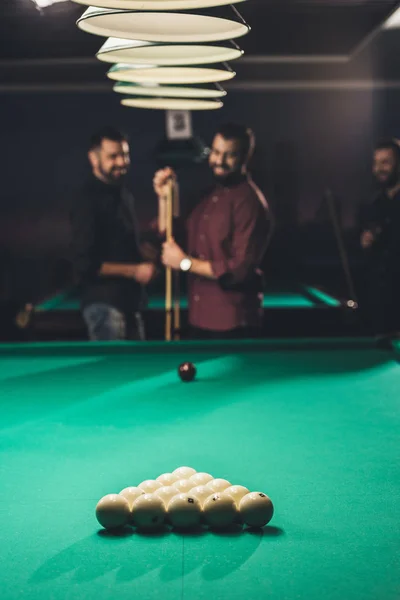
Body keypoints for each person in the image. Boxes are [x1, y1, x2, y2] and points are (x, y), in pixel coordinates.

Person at [153, 123, 274, 339]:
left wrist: (184, 263)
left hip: (233, 324)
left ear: (245, 158)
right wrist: (165, 198)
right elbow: (172, 238)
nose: (219, 161)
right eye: (216, 152)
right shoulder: (208, 196)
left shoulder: (250, 203)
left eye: (230, 155)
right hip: (198, 318)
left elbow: (239, 270)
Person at [70, 127, 156, 341]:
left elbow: (118, 244)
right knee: (112, 372)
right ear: (94, 158)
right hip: (105, 307)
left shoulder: (123, 194)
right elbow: (84, 263)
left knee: (137, 372)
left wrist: (143, 252)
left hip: (130, 303)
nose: (121, 162)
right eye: (113, 156)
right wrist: (135, 271)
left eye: (125, 155)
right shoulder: (86, 200)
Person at [359, 139, 400, 337]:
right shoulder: (375, 204)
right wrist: (365, 243)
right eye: (376, 163)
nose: (379, 168)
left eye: (386, 162)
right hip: (379, 303)